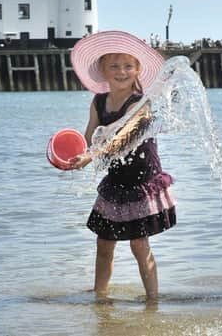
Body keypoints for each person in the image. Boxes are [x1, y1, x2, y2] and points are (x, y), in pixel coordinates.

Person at [67, 30, 176, 302]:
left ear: (138, 70)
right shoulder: (98, 101)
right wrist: (72, 152)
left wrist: (92, 157)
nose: (121, 71)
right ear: (102, 70)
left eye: (128, 65)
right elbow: (89, 135)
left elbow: (121, 139)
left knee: (140, 245)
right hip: (115, 183)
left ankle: (153, 299)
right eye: (114, 66)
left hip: (141, 182)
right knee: (104, 244)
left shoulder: (141, 104)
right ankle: (100, 296)